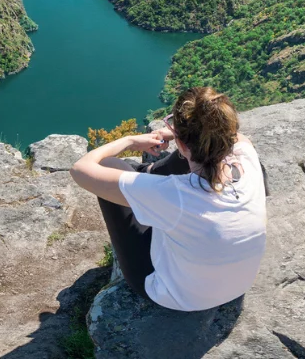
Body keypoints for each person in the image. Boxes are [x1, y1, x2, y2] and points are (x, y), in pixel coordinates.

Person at [70, 86, 267, 312]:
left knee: (110, 166)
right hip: (238, 286)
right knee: (200, 158)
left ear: (181, 143)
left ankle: (146, 173)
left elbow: (80, 169)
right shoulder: (248, 160)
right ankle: (150, 170)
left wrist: (130, 141)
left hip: (178, 297)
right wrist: (182, 135)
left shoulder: (173, 195)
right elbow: (236, 138)